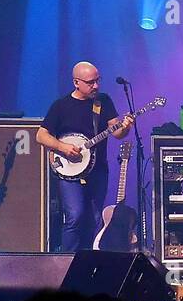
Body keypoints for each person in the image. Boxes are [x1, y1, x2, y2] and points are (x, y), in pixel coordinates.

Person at [36, 62, 134, 251]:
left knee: (95, 219)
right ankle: (66, 263)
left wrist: (126, 126)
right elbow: (41, 135)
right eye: (90, 82)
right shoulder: (61, 106)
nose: (96, 86)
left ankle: (87, 263)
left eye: (98, 81)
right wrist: (63, 147)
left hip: (97, 170)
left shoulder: (103, 101)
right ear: (76, 82)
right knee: (75, 215)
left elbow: (117, 132)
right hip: (68, 171)